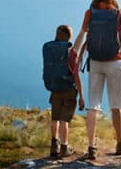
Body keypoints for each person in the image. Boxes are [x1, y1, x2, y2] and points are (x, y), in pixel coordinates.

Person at [74, 0, 121, 159]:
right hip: (116, 61)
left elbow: (83, 34)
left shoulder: (90, 13)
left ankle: (91, 147)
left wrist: (74, 52)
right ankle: (120, 144)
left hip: (96, 61)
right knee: (116, 105)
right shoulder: (118, 13)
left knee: (94, 104)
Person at [43, 25, 85, 159]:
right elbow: (76, 76)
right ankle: (64, 148)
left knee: (54, 118)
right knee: (64, 120)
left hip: (55, 89)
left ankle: (54, 146)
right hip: (69, 90)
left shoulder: (49, 50)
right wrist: (82, 97)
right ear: (69, 37)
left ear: (57, 34)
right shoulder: (70, 53)